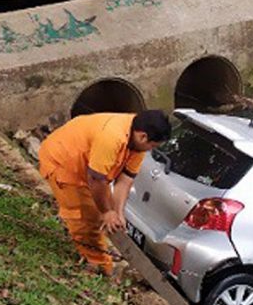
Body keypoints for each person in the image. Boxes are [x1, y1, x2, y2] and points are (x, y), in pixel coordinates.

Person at [38, 111, 171, 275]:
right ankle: (99, 265)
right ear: (143, 137)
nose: (150, 150)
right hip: (63, 162)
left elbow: (125, 180)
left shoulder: (138, 144)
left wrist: (118, 212)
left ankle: (99, 254)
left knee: (102, 213)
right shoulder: (112, 137)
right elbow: (95, 180)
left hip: (91, 170)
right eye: (152, 146)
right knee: (85, 217)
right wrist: (107, 212)